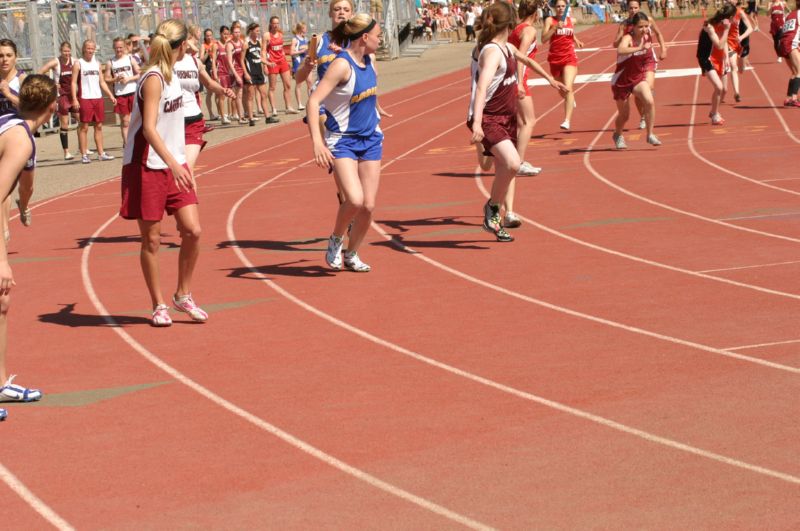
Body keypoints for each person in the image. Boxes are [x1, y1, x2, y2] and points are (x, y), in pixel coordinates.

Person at [120, 19, 207, 327]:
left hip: (173, 162)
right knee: (152, 240)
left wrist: (184, 158)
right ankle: (158, 305)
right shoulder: (154, 78)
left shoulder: (175, 77)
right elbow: (149, 129)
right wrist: (174, 163)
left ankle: (183, 295)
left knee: (193, 231)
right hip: (147, 165)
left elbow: (181, 124)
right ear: (182, 45)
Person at [307, 13, 386, 272]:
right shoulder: (342, 65)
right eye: (377, 35)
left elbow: (366, 93)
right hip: (342, 140)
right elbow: (313, 101)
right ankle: (336, 239)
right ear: (364, 37)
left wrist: (376, 109)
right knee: (354, 199)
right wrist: (317, 142)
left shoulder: (370, 60)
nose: (380, 38)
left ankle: (352, 253)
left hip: (370, 138)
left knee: (369, 206)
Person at [0, 75, 56, 420]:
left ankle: (1, 380)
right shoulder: (20, 139)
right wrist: (2, 261)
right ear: (53, 108)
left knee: (1, 301)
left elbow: (17, 192)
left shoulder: (14, 128)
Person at [505, 0, 568, 228]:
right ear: (536, 12)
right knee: (528, 121)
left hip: (514, 78)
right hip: (518, 79)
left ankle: (516, 159)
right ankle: (518, 162)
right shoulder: (529, 30)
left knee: (521, 122)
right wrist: (520, 83)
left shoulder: (516, 28)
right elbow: (521, 56)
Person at [467, 1, 522, 243]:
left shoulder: (507, 48)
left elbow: (525, 61)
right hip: (489, 117)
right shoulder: (491, 51)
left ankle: (494, 216)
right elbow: (481, 88)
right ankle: (492, 207)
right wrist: (477, 122)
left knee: (504, 168)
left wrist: (551, 82)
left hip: (507, 117)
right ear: (511, 23)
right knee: (512, 163)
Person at [174, 31, 235, 170]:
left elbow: (208, 83)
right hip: (173, 119)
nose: (193, 43)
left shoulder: (195, 62)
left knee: (187, 167)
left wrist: (223, 90)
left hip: (193, 119)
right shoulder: (167, 62)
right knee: (175, 167)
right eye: (189, 40)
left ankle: (189, 190)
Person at [612, 0, 668, 129]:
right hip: (632, 59)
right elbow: (615, 45)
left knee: (649, 87)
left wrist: (663, 49)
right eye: (631, 8)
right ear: (627, 9)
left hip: (647, 58)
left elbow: (658, 33)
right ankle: (643, 115)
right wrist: (623, 38)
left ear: (639, 7)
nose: (633, 10)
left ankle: (647, 111)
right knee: (638, 94)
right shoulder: (624, 24)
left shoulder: (647, 20)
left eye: (636, 7)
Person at [611, 12, 662, 149]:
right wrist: (639, 48)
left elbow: (647, 57)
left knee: (649, 101)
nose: (644, 29)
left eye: (646, 26)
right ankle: (617, 134)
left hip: (637, 78)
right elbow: (621, 50)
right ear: (633, 27)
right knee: (625, 116)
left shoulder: (646, 37)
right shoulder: (628, 37)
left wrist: (648, 71)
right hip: (621, 81)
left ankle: (650, 134)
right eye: (640, 27)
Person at [0, 39, 33, 234]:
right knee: (4, 184)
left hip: (21, 136)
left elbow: (30, 110)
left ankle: (25, 204)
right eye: (1, 55)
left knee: (27, 187)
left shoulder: (22, 80)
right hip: (2, 138)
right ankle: (4, 229)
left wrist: (8, 94)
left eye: (8, 55)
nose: (4, 59)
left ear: (16, 57)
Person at [71, 40, 116, 164]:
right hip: (85, 98)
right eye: (88, 48)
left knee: (99, 126)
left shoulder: (97, 63)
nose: (90, 50)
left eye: (92, 48)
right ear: (84, 49)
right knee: (84, 127)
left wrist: (110, 95)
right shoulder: (78, 63)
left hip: (97, 98)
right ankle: (84, 154)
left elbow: (101, 82)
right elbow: (73, 82)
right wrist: (74, 98)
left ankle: (101, 153)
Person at [542, 0, 585, 131]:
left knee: (567, 87)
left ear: (566, 7)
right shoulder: (550, 20)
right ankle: (570, 99)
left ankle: (567, 120)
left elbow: (570, 32)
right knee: (562, 90)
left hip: (569, 57)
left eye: (563, 6)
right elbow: (543, 39)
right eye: (558, 6)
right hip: (554, 59)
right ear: (554, 8)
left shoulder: (572, 20)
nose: (561, 8)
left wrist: (576, 40)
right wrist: (555, 28)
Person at [39, 41, 79, 160]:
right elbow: (41, 71)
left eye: (68, 51)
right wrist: (51, 83)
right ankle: (66, 152)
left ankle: (83, 148)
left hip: (73, 95)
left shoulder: (75, 61)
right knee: (65, 124)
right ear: (60, 51)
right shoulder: (56, 61)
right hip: (62, 96)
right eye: (64, 51)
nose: (66, 53)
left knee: (82, 120)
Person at [696, 4, 736, 124]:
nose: (733, 20)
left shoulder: (723, 25)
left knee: (724, 90)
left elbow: (723, 45)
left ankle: (714, 111)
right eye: (733, 17)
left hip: (719, 57)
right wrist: (727, 30)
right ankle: (714, 115)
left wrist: (726, 56)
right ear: (728, 17)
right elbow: (719, 44)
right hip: (707, 58)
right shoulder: (709, 26)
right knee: (718, 87)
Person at [106, 37, 140, 148]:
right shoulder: (110, 62)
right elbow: (106, 79)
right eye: (116, 48)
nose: (118, 50)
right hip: (120, 94)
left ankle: (138, 142)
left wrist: (128, 79)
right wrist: (115, 79)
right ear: (113, 48)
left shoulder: (130, 59)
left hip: (132, 91)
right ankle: (127, 144)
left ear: (124, 47)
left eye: (120, 47)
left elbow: (140, 74)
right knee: (125, 121)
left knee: (137, 119)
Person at [265, 15, 298, 117]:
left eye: (277, 23)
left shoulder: (280, 34)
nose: (276, 25)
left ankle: (288, 107)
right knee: (272, 87)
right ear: (271, 24)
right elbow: (263, 51)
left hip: (282, 61)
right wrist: (265, 64)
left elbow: (281, 49)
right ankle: (274, 109)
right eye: (274, 23)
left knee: (288, 85)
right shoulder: (267, 35)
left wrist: (286, 61)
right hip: (273, 62)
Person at [726, 0, 754, 102]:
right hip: (730, 43)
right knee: (733, 66)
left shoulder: (740, 12)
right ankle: (736, 93)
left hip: (742, 42)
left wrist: (741, 37)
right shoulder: (723, 12)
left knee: (741, 69)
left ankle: (743, 63)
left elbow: (751, 28)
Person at [242, 22, 269, 126]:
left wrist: (267, 63)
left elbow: (260, 57)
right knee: (250, 96)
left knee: (263, 94)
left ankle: (267, 117)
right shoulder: (246, 44)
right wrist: (246, 73)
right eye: (257, 31)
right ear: (251, 31)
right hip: (250, 72)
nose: (258, 32)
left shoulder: (259, 42)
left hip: (259, 71)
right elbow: (241, 60)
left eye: (259, 31)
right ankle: (251, 119)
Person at [777, 0, 800, 105]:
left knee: (795, 72)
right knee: (799, 72)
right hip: (791, 43)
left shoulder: (791, 14)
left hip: (783, 43)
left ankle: (789, 98)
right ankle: (794, 99)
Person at [225, 21, 247, 124]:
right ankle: (239, 117)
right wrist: (236, 75)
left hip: (241, 69)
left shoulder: (242, 42)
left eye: (239, 32)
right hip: (234, 71)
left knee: (240, 94)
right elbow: (229, 61)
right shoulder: (230, 44)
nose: (237, 34)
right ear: (232, 33)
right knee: (238, 94)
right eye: (235, 32)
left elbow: (242, 57)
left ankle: (239, 115)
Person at [291, 22, 311, 111]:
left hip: (306, 61)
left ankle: (311, 101)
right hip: (298, 62)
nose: (306, 29)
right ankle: (299, 104)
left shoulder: (305, 39)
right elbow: (291, 53)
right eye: (304, 28)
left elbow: (308, 50)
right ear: (300, 29)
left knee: (310, 82)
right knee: (299, 84)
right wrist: (301, 51)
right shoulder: (295, 39)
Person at [215, 25, 233, 124]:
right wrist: (215, 75)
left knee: (230, 94)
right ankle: (222, 117)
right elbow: (213, 61)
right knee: (222, 95)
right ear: (220, 34)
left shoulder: (230, 44)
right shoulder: (216, 45)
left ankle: (231, 114)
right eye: (224, 34)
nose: (226, 36)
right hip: (220, 72)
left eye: (227, 34)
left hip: (229, 72)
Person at [202, 28, 220, 120]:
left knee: (219, 92)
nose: (209, 37)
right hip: (208, 69)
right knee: (209, 92)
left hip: (217, 68)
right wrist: (207, 53)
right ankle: (211, 113)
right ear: (204, 36)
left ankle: (220, 113)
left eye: (210, 35)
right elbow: (201, 60)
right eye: (207, 35)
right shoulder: (203, 45)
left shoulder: (216, 43)